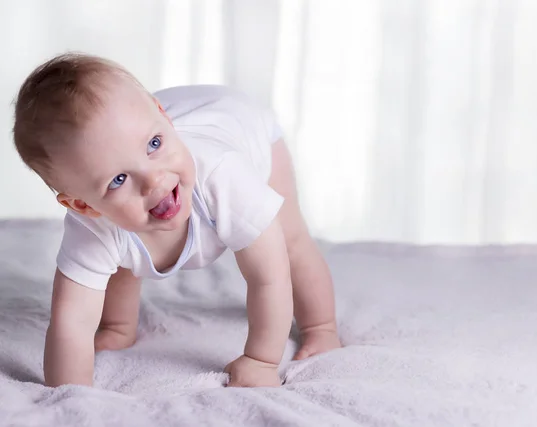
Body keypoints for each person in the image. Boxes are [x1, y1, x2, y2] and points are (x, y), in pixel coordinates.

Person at [12, 53, 341, 388]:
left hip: (241, 124)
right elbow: (72, 321)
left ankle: (322, 327)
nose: (154, 181)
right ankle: (118, 325)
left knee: (289, 240)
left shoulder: (224, 176)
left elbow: (268, 276)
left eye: (154, 144)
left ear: (162, 117)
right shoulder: (90, 225)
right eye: (118, 180)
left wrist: (261, 360)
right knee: (123, 256)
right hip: (153, 131)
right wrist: (70, 394)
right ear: (82, 204)